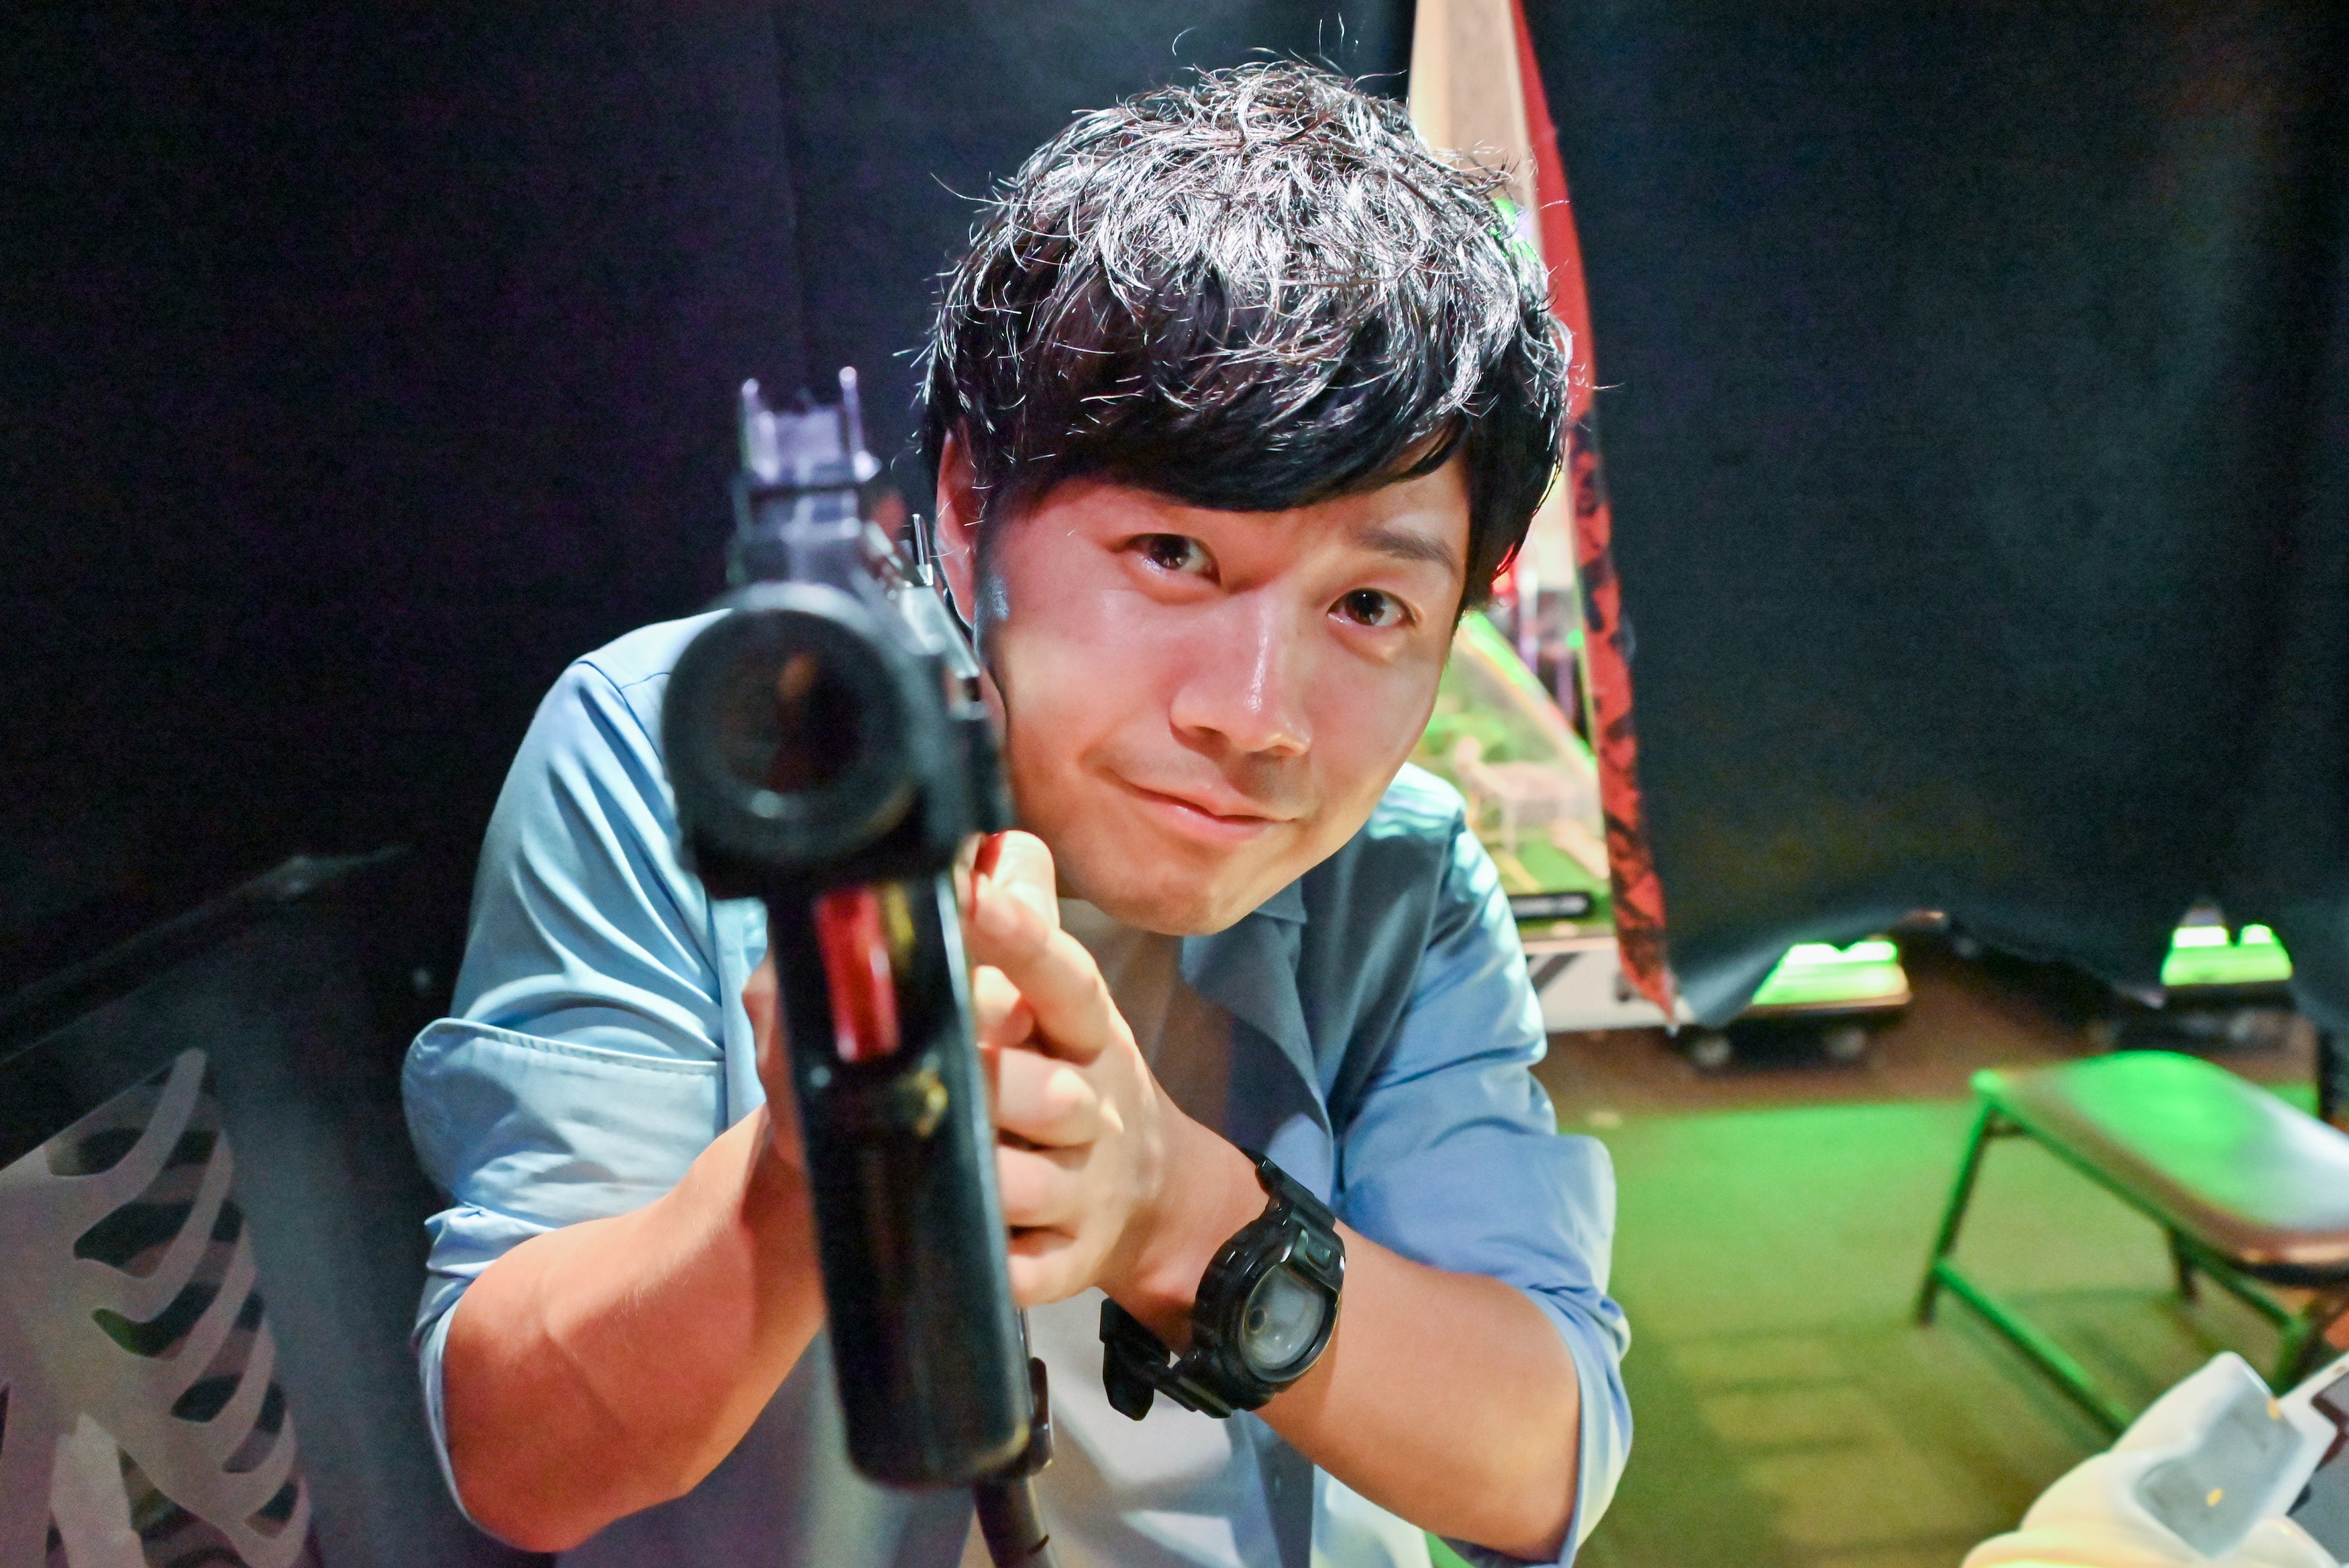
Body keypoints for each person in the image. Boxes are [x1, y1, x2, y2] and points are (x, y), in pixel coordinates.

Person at [403, 62, 1630, 1568]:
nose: (1255, 712)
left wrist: (1170, 1208)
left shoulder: (1403, 878)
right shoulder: (693, 756)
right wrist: (802, 1173)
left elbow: (1545, 1453)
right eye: (1173, 552)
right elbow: (519, 1457)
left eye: (1368, 604)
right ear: (969, 504)